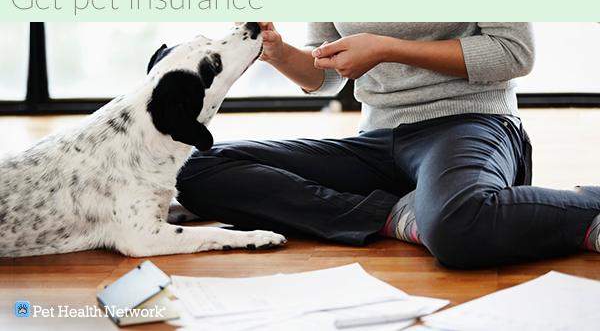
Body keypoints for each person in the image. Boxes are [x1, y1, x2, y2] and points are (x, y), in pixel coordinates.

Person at [175, 22, 600, 269]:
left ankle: (588, 204)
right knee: (192, 168)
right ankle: (395, 214)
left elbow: (514, 54)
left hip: (470, 121)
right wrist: (279, 52)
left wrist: (387, 49)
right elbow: (323, 75)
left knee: (456, 228)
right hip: (377, 140)